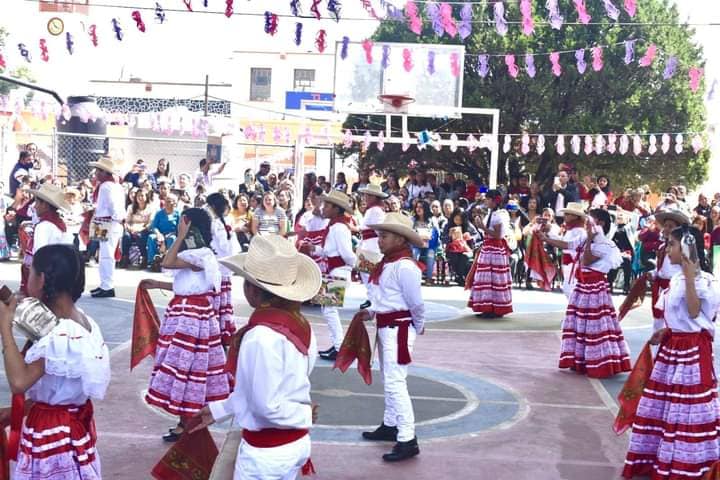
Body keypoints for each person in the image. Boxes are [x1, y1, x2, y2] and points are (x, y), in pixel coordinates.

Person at [190, 235, 321, 479]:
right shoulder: (299, 323)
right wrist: (221, 408)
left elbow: (265, 406)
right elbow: (266, 390)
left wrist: (303, 415)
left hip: (267, 454)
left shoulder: (260, 336)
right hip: (293, 445)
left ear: (252, 289)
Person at [0, 244, 111, 479]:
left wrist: (5, 327)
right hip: (70, 426)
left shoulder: (61, 334)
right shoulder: (84, 323)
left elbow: (19, 382)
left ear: (40, 280)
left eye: (29, 273)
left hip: (53, 432)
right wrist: (15, 412)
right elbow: (60, 388)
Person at [622, 226, 720, 479]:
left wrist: (689, 277)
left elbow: (694, 312)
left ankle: (686, 466)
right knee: (664, 405)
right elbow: (680, 317)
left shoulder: (706, 281)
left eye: (672, 243)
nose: (666, 248)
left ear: (687, 248)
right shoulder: (675, 279)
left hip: (692, 353)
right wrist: (666, 330)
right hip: (672, 349)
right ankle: (658, 459)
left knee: (685, 407)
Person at [141, 208, 232, 441]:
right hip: (185, 312)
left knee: (188, 367)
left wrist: (180, 236)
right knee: (186, 368)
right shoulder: (197, 254)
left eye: (183, 222)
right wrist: (158, 285)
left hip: (192, 316)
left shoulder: (201, 253)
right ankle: (185, 421)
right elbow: (188, 284)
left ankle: (188, 422)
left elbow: (168, 262)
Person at [356, 212, 424, 462]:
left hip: (399, 329)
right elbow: (386, 299)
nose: (379, 241)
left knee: (396, 382)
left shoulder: (404, 266)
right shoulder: (388, 264)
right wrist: (371, 311)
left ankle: (408, 437)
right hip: (388, 327)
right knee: (390, 378)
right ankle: (391, 424)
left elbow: (415, 303)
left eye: (384, 236)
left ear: (399, 239)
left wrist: (418, 325)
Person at [558, 209, 631, 378]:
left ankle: (598, 361)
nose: (586, 225)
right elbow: (567, 245)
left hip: (594, 288)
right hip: (583, 286)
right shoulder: (585, 239)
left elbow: (586, 260)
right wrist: (545, 238)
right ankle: (580, 360)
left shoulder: (605, 245)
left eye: (591, 221)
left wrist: (590, 238)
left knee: (595, 324)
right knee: (580, 322)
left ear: (601, 224)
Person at [300, 190, 356, 361]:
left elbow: (346, 254)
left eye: (327, 206)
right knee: (328, 310)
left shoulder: (339, 228)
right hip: (335, 270)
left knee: (329, 310)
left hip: (338, 270)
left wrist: (356, 266)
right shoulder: (334, 226)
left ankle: (339, 346)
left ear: (336, 209)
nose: (323, 208)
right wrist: (314, 249)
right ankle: (337, 345)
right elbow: (329, 250)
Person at [467, 190, 513, 318]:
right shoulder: (492, 214)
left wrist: (482, 227)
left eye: (487, 199)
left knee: (493, 279)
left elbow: (498, 235)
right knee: (488, 278)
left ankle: (493, 308)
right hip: (489, 248)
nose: (485, 201)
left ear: (493, 201)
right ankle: (487, 307)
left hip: (494, 249)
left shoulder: (498, 215)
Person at [88, 156, 126, 298]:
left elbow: (113, 206)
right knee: (104, 254)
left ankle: (107, 285)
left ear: (105, 172)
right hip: (105, 221)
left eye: (99, 170)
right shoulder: (113, 186)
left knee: (106, 255)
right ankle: (104, 283)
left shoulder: (106, 186)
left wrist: (115, 219)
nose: (96, 173)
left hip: (107, 222)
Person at [207, 192, 241, 346]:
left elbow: (222, 246)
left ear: (213, 207)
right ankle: (222, 331)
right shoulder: (223, 223)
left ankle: (216, 333)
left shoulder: (216, 224)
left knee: (217, 300)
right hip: (224, 267)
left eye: (208, 205)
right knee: (223, 301)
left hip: (218, 266)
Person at [650, 208, 690, 332]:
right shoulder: (662, 247)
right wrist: (653, 273)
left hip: (675, 286)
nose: (666, 229)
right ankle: (657, 347)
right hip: (661, 286)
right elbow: (661, 268)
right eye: (665, 226)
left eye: (670, 226)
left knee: (672, 319)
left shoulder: (684, 249)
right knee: (658, 319)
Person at [538, 202, 588, 299]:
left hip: (575, 267)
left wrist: (546, 239)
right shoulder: (571, 230)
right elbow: (562, 241)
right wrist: (548, 234)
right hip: (568, 266)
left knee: (572, 292)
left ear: (575, 216)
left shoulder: (580, 231)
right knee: (568, 290)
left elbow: (567, 245)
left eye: (568, 214)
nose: (565, 216)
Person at [357, 184, 388, 309]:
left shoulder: (375, 210)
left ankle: (374, 298)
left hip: (372, 245)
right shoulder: (372, 210)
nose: (365, 198)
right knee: (366, 273)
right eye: (365, 195)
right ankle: (372, 297)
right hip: (367, 244)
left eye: (368, 195)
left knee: (370, 273)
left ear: (375, 197)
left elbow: (378, 229)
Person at [147, 194, 181, 266]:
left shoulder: (178, 214)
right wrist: (158, 234)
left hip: (172, 234)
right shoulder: (159, 213)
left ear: (175, 203)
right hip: (160, 233)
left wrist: (169, 236)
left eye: (169, 201)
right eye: (165, 201)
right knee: (151, 238)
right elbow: (154, 226)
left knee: (172, 239)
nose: (166, 203)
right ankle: (152, 261)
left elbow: (179, 228)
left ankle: (169, 260)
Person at [122, 189, 152, 267]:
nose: (140, 198)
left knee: (140, 236)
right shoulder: (131, 207)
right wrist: (130, 229)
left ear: (146, 197)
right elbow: (127, 221)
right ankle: (125, 258)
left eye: (142, 196)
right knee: (126, 236)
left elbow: (150, 223)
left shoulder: (151, 208)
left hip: (144, 230)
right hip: (131, 229)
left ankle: (144, 258)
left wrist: (140, 229)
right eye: (138, 196)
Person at [412, 200, 439, 284]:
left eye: (421, 207)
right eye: (417, 207)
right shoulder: (413, 220)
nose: (418, 209)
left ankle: (429, 278)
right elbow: (409, 232)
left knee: (430, 254)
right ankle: (414, 277)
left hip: (429, 245)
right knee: (414, 253)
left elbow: (437, 233)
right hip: (416, 244)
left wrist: (429, 237)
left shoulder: (432, 220)